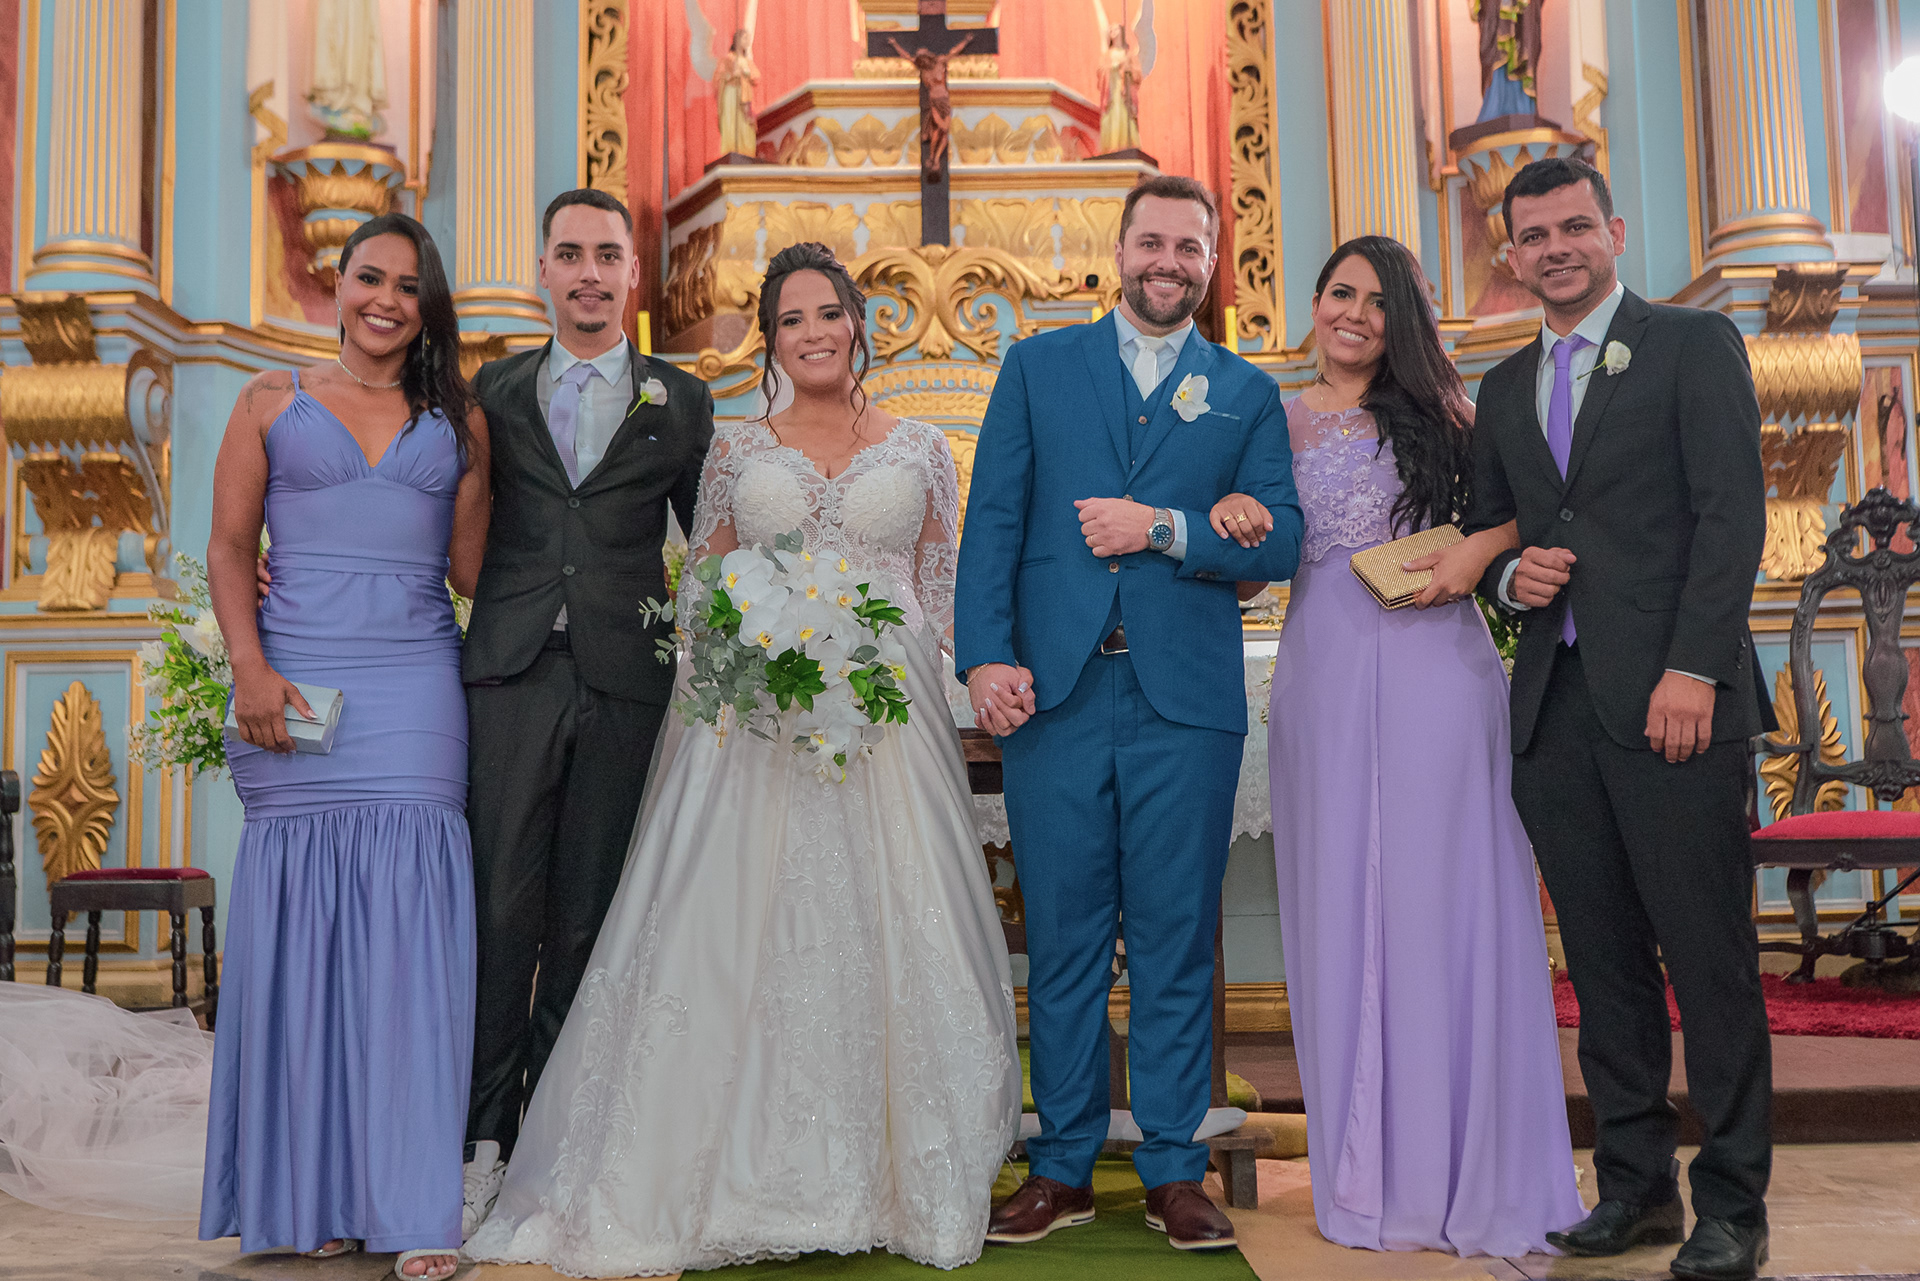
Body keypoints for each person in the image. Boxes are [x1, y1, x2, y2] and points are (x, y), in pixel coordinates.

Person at [465, 241, 1020, 1273]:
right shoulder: (734, 447)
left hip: (889, 724)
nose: (812, 334)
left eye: (828, 314)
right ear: (770, 343)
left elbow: (943, 593)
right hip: (758, 722)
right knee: (732, 933)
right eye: (790, 322)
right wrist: (728, 670)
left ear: (861, 321)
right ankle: (724, 1172)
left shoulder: (923, 450)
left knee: (893, 923)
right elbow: (702, 581)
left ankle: (895, 1174)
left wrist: (975, 680)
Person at [1207, 235, 1585, 1255]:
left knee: (1442, 906)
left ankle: (1469, 1170)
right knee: (1339, 912)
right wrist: (1236, 525)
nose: (1356, 315)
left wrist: (1476, 547)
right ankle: (1365, 1174)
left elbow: (1531, 518)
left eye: (1380, 301)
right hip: (1323, 677)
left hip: (1436, 673)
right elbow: (1248, 570)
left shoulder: (1453, 420)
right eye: (1341, 292)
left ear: (1403, 320)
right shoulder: (1266, 421)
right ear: (1314, 300)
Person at [954, 175, 1302, 1253]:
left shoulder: (1245, 390)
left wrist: (1170, 529)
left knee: (1174, 941)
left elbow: (1282, 539)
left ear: (1211, 260)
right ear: (1120, 250)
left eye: (1189, 246)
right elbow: (994, 523)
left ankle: (1172, 1168)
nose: (1168, 261)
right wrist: (983, 660)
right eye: (1151, 241)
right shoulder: (1037, 365)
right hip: (1057, 697)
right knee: (1060, 937)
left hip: (1185, 703)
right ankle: (1057, 1166)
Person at [1465, 157, 1773, 1281]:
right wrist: (1513, 585)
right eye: (1534, 234)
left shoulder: (1692, 345)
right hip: (1555, 716)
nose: (1556, 247)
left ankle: (1734, 1203)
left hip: (1674, 706)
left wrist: (1695, 669)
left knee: (1711, 960)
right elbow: (1489, 535)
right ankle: (1636, 1190)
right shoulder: (1500, 391)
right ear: (1510, 255)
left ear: (1615, 230)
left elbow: (1731, 514)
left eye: (1574, 227)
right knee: (1602, 969)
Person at [202, 211, 490, 1281]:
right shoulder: (269, 401)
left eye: (409, 285)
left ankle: (413, 1202)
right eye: (370, 277)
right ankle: (309, 1195)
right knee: (302, 945)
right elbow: (232, 545)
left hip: (416, 685)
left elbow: (472, 574)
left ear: (428, 305)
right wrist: (248, 667)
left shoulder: (459, 418)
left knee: (411, 942)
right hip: (293, 684)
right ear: (339, 284)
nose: (385, 299)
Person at [457, 188, 713, 1235]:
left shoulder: (682, 398)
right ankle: (481, 1142)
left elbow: (713, 547)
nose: (590, 273)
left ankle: (558, 1147)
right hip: (512, 673)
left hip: (626, 679)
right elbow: (464, 521)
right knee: (497, 915)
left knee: (588, 921)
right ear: (544, 272)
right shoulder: (495, 390)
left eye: (609, 255)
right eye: (570, 254)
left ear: (633, 276)